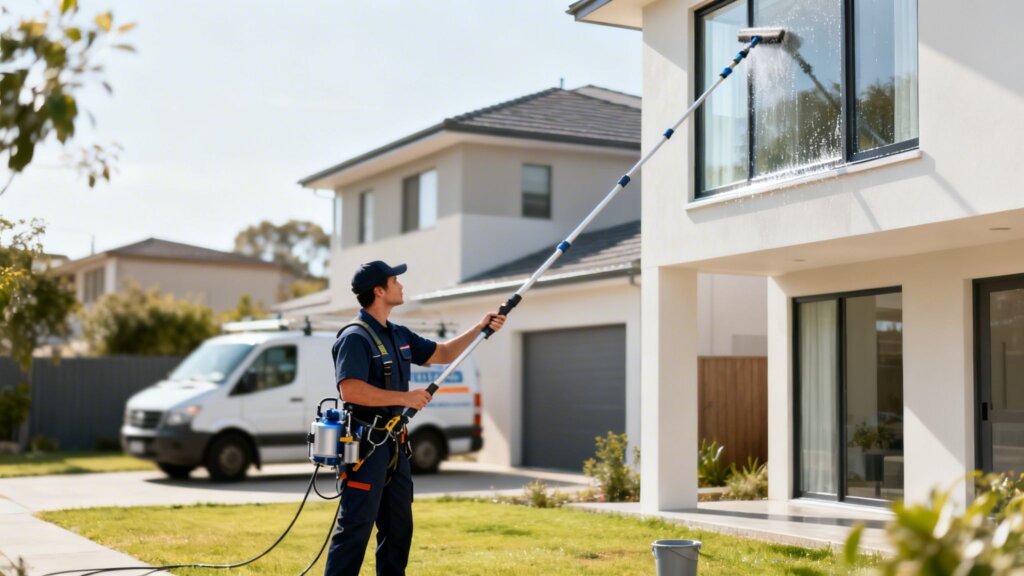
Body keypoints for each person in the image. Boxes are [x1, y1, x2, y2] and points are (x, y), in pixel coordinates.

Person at [325, 260, 505, 576]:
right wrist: (405, 398)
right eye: (395, 280)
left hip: (395, 446)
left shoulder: (399, 334)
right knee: (355, 530)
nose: (401, 284)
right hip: (366, 449)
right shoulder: (355, 337)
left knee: (398, 530)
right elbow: (350, 390)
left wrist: (481, 328)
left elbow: (444, 353)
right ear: (379, 291)